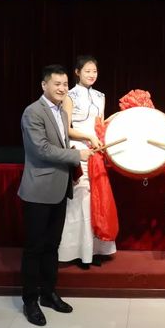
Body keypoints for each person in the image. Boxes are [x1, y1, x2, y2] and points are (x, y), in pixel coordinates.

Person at [18, 64, 92, 327]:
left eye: (65, 84)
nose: (62, 89)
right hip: (38, 191)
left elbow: (60, 144)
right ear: (44, 85)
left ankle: (48, 294)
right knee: (34, 249)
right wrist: (76, 154)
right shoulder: (33, 112)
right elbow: (41, 149)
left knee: (52, 247)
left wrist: (73, 158)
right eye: (57, 84)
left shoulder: (61, 111)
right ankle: (30, 301)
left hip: (59, 189)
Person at [58, 55, 116, 268]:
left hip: (96, 151)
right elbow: (66, 129)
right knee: (81, 199)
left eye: (94, 71)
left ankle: (95, 250)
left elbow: (100, 125)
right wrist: (88, 136)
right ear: (77, 72)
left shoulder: (101, 96)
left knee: (97, 200)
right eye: (87, 71)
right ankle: (78, 252)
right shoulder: (69, 95)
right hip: (79, 150)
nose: (92, 75)